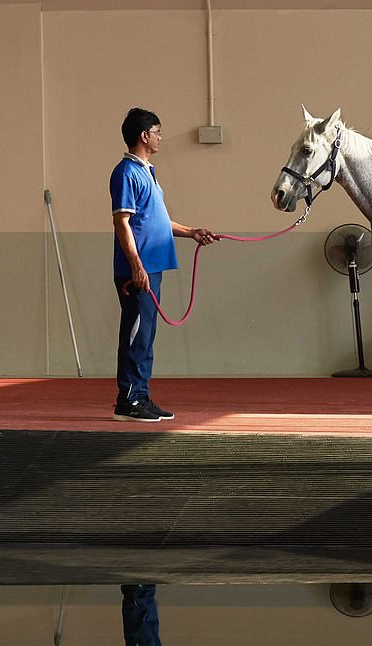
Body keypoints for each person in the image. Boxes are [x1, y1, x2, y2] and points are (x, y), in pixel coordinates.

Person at [110, 108, 220, 423]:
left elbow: (156, 220)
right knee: (135, 333)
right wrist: (136, 266)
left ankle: (140, 395)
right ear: (144, 135)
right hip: (138, 271)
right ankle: (128, 401)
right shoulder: (126, 173)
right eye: (157, 131)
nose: (160, 137)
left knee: (145, 334)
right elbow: (122, 222)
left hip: (153, 266)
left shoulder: (148, 173)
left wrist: (191, 232)